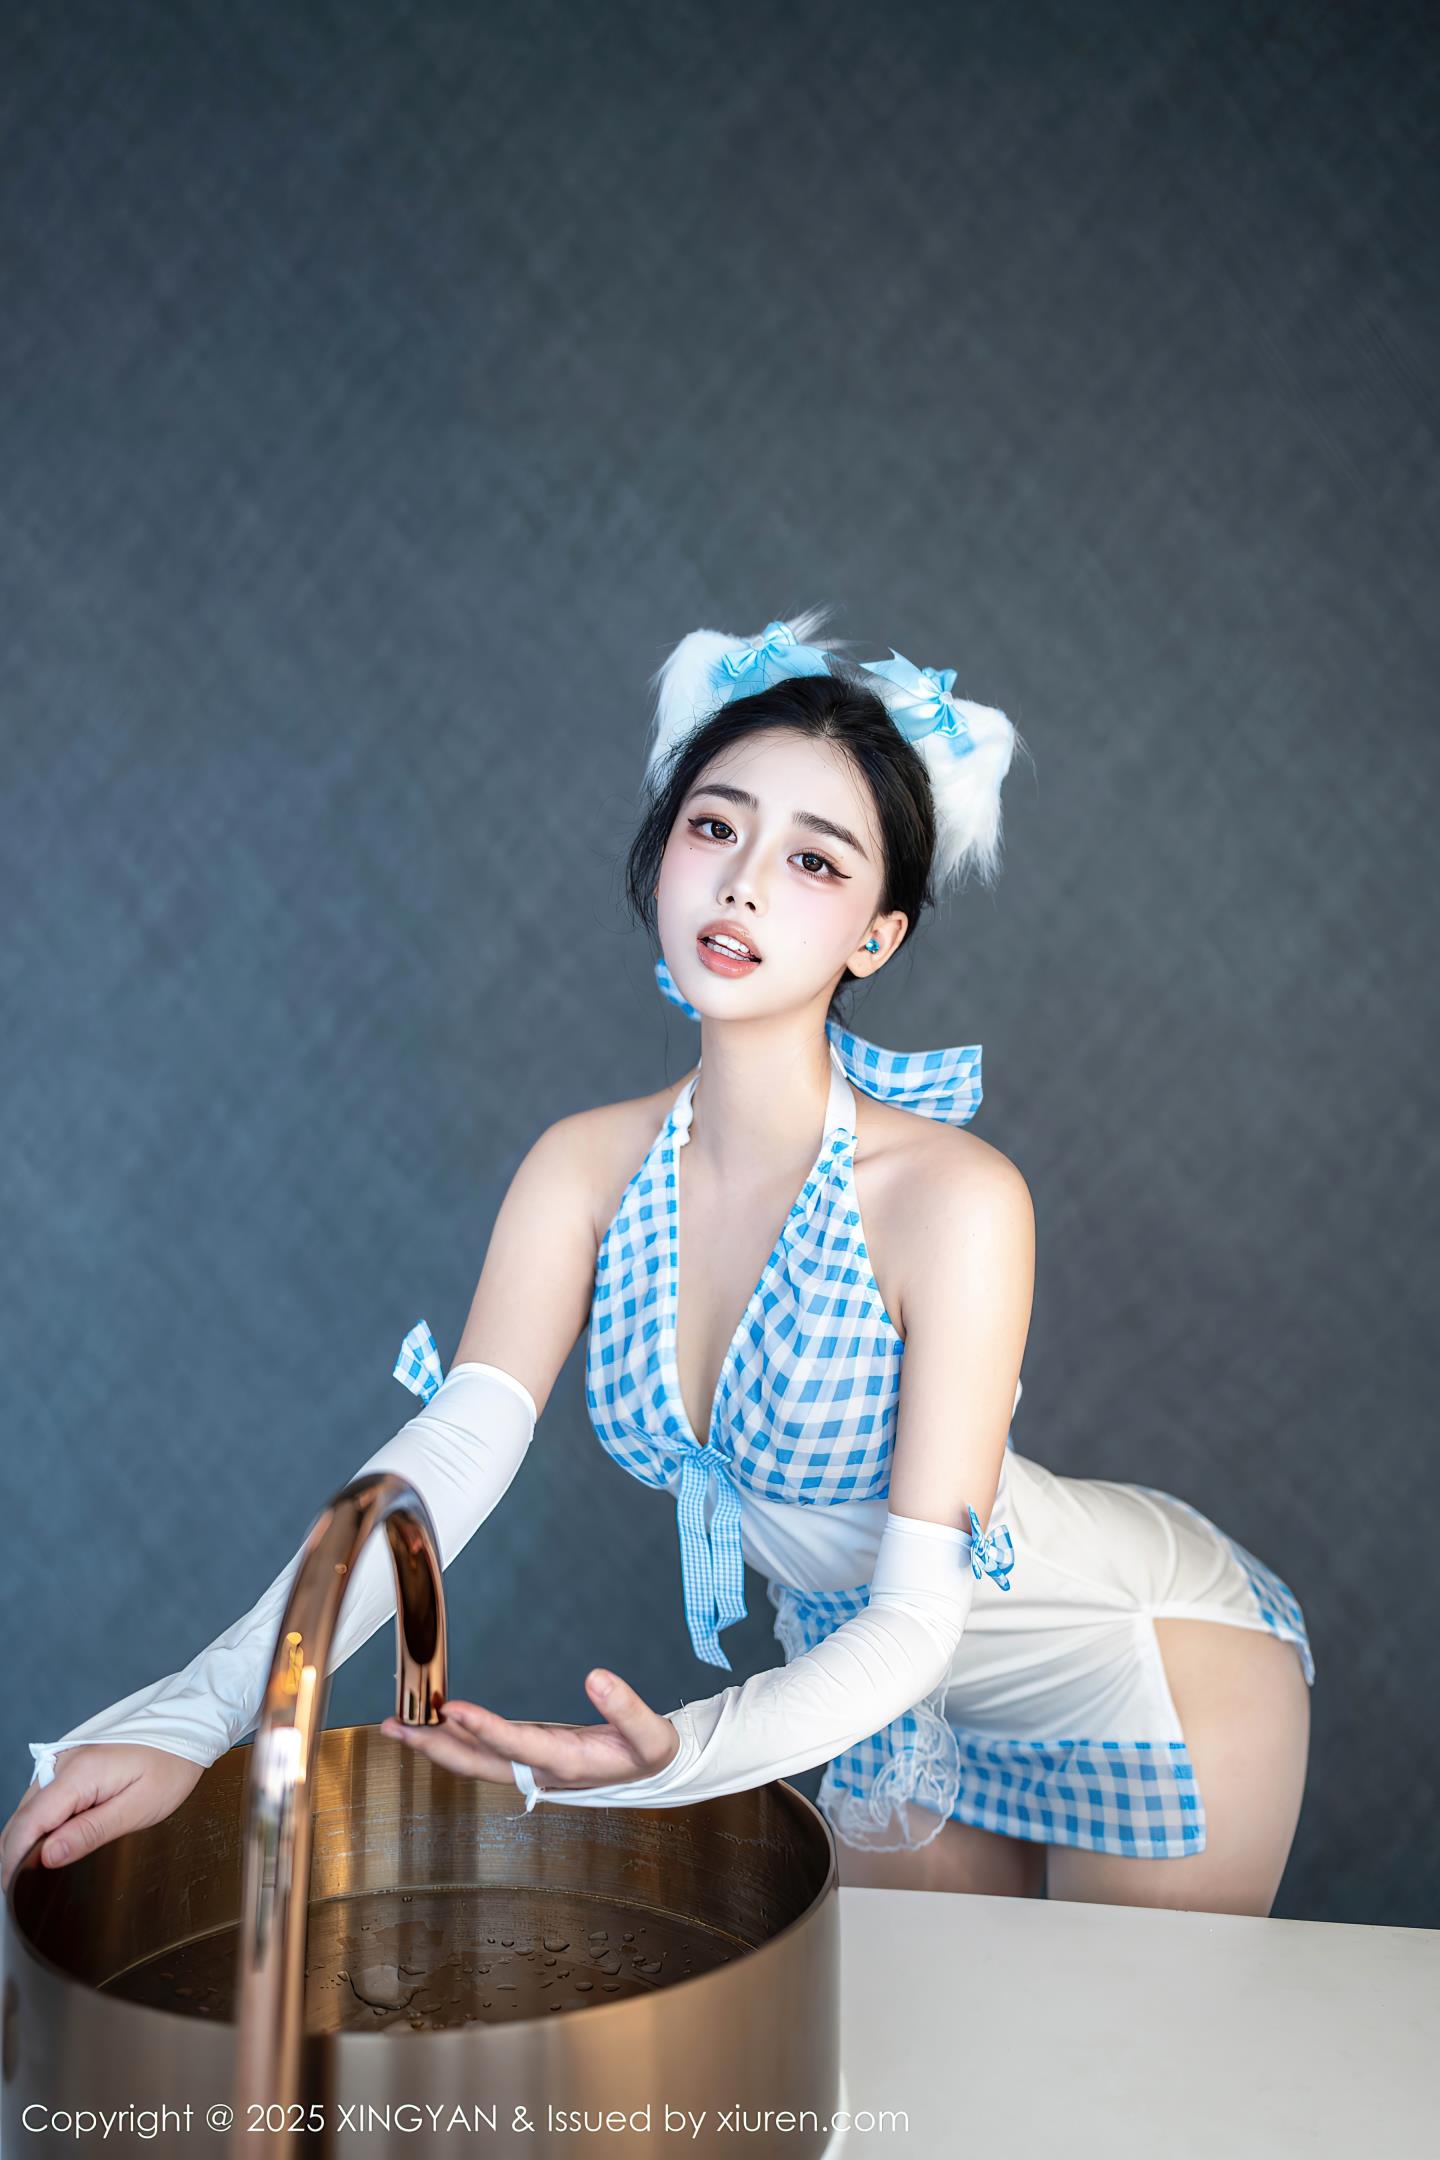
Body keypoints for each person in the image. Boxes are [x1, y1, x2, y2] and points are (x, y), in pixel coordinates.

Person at [2, 613, 1313, 1915]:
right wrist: (196, 1716)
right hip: (871, 1701)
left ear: (877, 936)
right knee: (916, 2043)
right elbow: (447, 1459)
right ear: (662, 853)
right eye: (715, 827)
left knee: (1105, 2053)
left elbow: (922, 1615)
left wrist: (676, 1758)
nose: (743, 884)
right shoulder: (583, 1168)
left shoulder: (953, 1198)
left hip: (1134, 1670)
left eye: (813, 860)